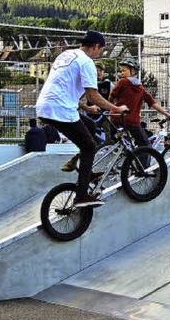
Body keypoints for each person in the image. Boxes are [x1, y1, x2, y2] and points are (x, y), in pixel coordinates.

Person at [36, 30, 128, 208]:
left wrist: (86, 108)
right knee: (89, 146)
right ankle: (81, 196)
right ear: (95, 47)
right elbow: (93, 95)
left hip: (46, 105)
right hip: (61, 110)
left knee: (91, 125)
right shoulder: (86, 62)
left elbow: (64, 86)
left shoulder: (66, 54)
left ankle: (84, 168)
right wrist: (116, 109)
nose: (99, 54)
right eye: (100, 50)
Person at [109, 58, 170, 148]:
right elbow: (153, 103)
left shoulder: (122, 82)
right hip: (132, 121)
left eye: (124, 70)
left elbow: (112, 97)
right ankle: (142, 162)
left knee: (125, 144)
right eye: (121, 71)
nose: (122, 73)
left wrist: (113, 107)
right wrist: (167, 114)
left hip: (116, 118)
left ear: (133, 71)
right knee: (145, 146)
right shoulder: (140, 88)